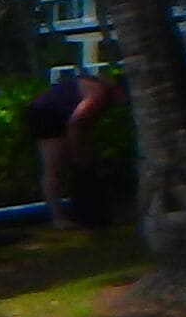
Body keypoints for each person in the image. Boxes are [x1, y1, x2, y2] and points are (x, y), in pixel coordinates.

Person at [26, 68, 121, 229]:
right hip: (47, 114)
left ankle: (77, 211)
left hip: (60, 113)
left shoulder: (100, 93)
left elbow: (84, 128)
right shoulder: (99, 94)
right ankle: (57, 218)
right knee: (54, 167)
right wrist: (80, 158)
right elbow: (76, 124)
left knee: (75, 166)